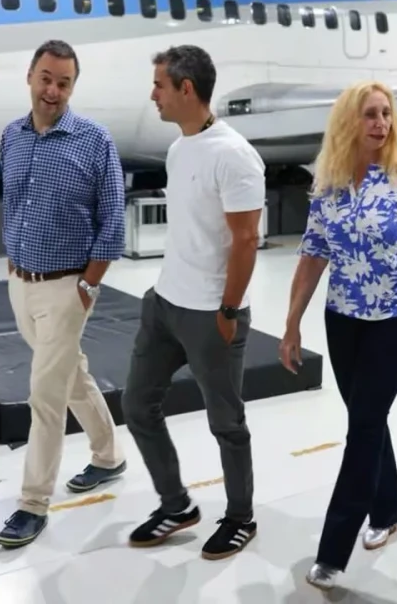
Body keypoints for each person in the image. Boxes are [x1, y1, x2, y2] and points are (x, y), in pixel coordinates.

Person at [278, 80, 397, 591]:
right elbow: (312, 256)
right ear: (349, 121)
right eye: (370, 114)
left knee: (364, 427)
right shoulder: (327, 180)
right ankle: (388, 509)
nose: (381, 124)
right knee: (367, 420)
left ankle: (333, 550)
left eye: (386, 114)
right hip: (342, 319)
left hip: (394, 319)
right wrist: (291, 324)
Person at [121, 44, 266, 561]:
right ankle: (177, 505)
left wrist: (228, 310)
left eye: (160, 84)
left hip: (211, 313)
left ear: (187, 89)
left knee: (227, 423)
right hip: (164, 303)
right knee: (137, 404)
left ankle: (241, 516)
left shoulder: (234, 155)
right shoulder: (180, 148)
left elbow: (246, 240)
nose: (153, 94)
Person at [0, 39, 128, 549]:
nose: (53, 90)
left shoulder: (94, 140)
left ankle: (33, 503)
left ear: (73, 86)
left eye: (64, 82)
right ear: (30, 76)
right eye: (46, 78)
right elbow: (12, 203)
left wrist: (88, 286)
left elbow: (112, 222)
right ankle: (108, 455)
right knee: (71, 376)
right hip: (20, 283)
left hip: (68, 287)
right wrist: (12, 260)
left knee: (44, 396)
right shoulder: (12, 136)